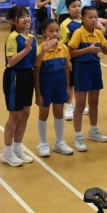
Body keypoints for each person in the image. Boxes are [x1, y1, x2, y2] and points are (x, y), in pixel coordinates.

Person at [66, 6, 107, 151]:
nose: (94, 20)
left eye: (96, 17)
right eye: (90, 17)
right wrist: (88, 49)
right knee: (80, 105)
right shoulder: (78, 33)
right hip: (82, 69)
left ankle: (94, 131)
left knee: (94, 103)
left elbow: (105, 51)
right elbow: (70, 52)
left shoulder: (98, 33)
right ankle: (78, 136)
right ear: (82, 18)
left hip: (95, 68)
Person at [1, 7, 37, 167]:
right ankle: (7, 152)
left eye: (27, 15)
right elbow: (11, 61)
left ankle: (17, 148)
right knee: (15, 115)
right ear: (13, 21)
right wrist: (27, 49)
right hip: (14, 76)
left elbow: (35, 61)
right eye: (22, 17)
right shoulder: (13, 37)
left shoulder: (32, 37)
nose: (26, 19)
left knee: (25, 114)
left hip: (28, 75)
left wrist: (45, 49)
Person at [34, 18, 74, 157]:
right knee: (43, 114)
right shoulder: (40, 49)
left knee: (59, 113)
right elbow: (36, 72)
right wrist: (38, 93)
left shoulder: (63, 47)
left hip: (60, 83)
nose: (55, 34)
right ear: (44, 33)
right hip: (45, 83)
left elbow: (66, 69)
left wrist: (67, 88)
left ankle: (59, 142)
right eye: (51, 31)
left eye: (57, 30)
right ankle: (43, 143)